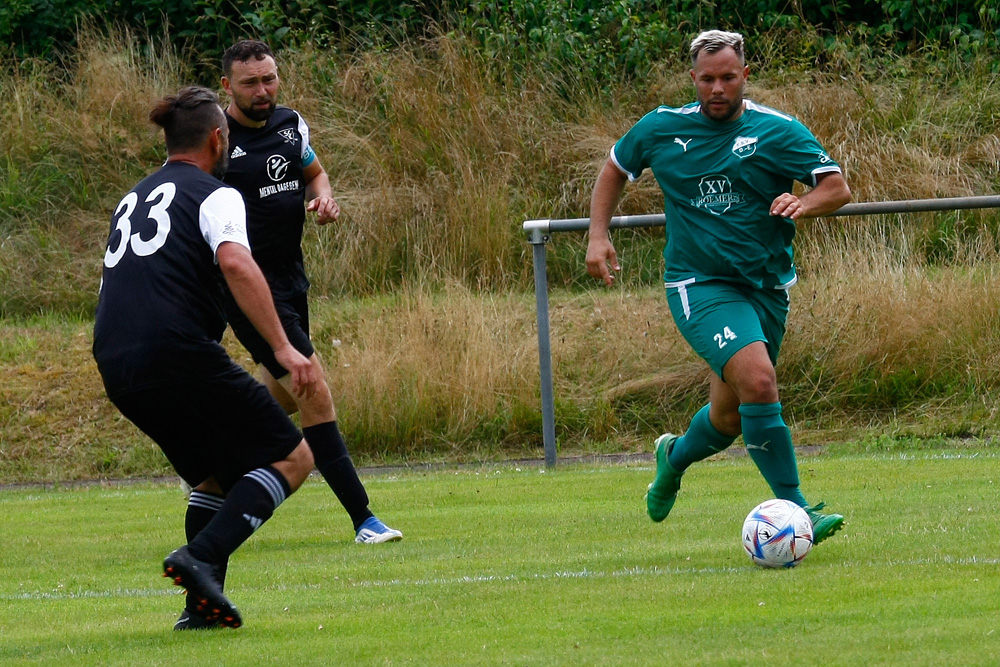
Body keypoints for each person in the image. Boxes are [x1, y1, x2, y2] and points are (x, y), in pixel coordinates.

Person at [585, 30, 852, 544]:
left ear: (744, 76)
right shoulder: (662, 128)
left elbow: (835, 186)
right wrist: (599, 236)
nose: (717, 88)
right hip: (699, 283)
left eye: (728, 78)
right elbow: (616, 168)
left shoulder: (778, 130)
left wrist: (805, 203)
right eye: (707, 79)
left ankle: (673, 458)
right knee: (760, 382)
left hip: (767, 287)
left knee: (730, 418)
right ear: (693, 79)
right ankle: (798, 511)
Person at [93, 86, 322, 630]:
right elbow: (238, 265)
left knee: (216, 478)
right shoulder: (215, 193)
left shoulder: (134, 195)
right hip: (176, 351)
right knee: (293, 458)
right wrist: (284, 349)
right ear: (218, 139)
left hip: (117, 363)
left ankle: (200, 608)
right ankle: (197, 559)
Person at [218, 39, 402, 545]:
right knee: (312, 386)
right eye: (250, 82)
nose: (263, 90)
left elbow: (315, 174)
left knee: (275, 399)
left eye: (269, 78)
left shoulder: (291, 124)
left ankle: (215, 472)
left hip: (292, 279)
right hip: (248, 285)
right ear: (227, 86)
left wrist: (324, 200)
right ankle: (364, 519)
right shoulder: (215, 139)